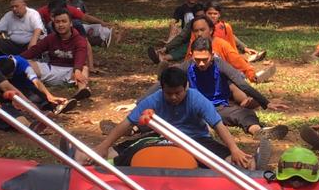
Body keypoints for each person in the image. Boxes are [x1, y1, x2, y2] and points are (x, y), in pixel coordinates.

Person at [90, 66, 254, 169]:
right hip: (163, 138)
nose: (174, 97)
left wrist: (234, 149)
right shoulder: (154, 99)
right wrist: (104, 145)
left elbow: (218, 125)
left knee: (234, 160)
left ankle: (253, 161)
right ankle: (87, 158)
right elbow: (127, 123)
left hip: (196, 139)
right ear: (162, 89)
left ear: (186, 87)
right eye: (169, 93)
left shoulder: (196, 98)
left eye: (178, 93)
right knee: (116, 151)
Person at [186, 37, 286, 139]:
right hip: (196, 108)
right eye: (197, 60)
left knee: (245, 114)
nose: (201, 64)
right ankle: (205, 129)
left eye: (204, 60)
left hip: (218, 108)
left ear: (212, 56)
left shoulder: (220, 65)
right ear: (191, 56)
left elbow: (242, 84)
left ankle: (258, 132)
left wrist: (265, 102)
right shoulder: (186, 67)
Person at [185, 15, 276, 83]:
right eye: (196, 31)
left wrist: (251, 74)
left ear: (211, 30)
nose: (199, 34)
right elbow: (186, 65)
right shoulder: (193, 45)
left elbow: (237, 61)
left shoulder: (221, 44)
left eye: (202, 30)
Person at [21, 6, 90, 90]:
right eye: (57, 22)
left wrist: (77, 70)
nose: (60, 25)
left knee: (84, 68)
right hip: (52, 69)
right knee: (25, 63)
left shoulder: (80, 40)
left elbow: (81, 57)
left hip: (72, 72)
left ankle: (82, 90)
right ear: (54, 24)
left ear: (71, 23)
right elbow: (34, 50)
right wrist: (16, 59)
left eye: (64, 21)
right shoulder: (50, 38)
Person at [39, 0, 112, 48]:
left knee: (86, 27)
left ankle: (100, 37)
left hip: (72, 32)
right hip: (54, 36)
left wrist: (101, 22)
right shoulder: (43, 13)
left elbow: (85, 17)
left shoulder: (70, 11)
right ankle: (98, 41)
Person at [0, 55, 65, 113]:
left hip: (22, 84)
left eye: (9, 76)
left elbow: (36, 81)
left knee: (37, 94)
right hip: (1, 87)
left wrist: (49, 95)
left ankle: (53, 105)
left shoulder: (23, 64)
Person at [153, 0, 204, 65]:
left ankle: (163, 56)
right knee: (177, 36)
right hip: (185, 33)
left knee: (187, 48)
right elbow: (173, 21)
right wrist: (173, 28)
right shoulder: (181, 9)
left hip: (196, 36)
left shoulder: (202, 8)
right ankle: (164, 49)